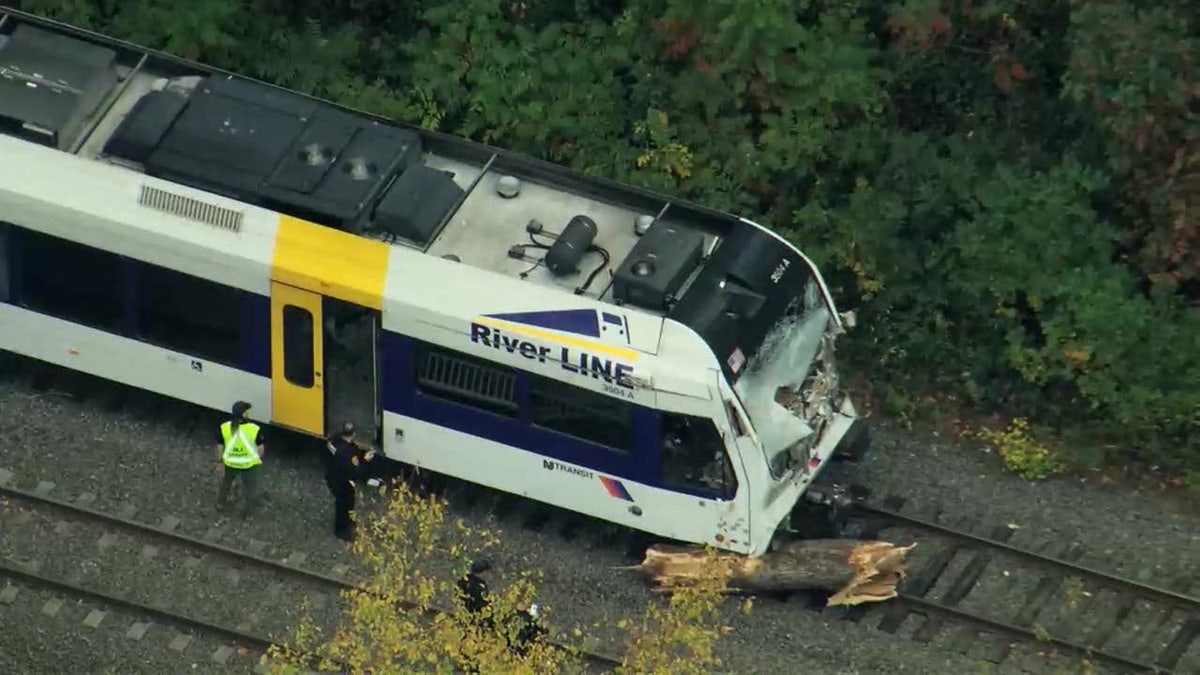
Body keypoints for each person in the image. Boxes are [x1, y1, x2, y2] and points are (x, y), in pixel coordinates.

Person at [325, 421, 374, 542]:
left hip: (333, 477)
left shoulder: (334, 441)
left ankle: (346, 523)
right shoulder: (349, 452)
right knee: (345, 505)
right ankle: (341, 531)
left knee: (342, 503)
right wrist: (366, 460)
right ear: (353, 434)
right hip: (344, 483)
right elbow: (357, 471)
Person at [215, 401, 265, 518]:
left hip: (230, 463)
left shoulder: (225, 427)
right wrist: (257, 458)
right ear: (244, 414)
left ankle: (220, 504)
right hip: (249, 465)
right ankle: (247, 512)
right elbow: (260, 448)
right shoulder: (254, 429)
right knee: (250, 489)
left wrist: (219, 462)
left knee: (226, 484)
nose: (248, 414)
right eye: (247, 411)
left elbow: (220, 446)